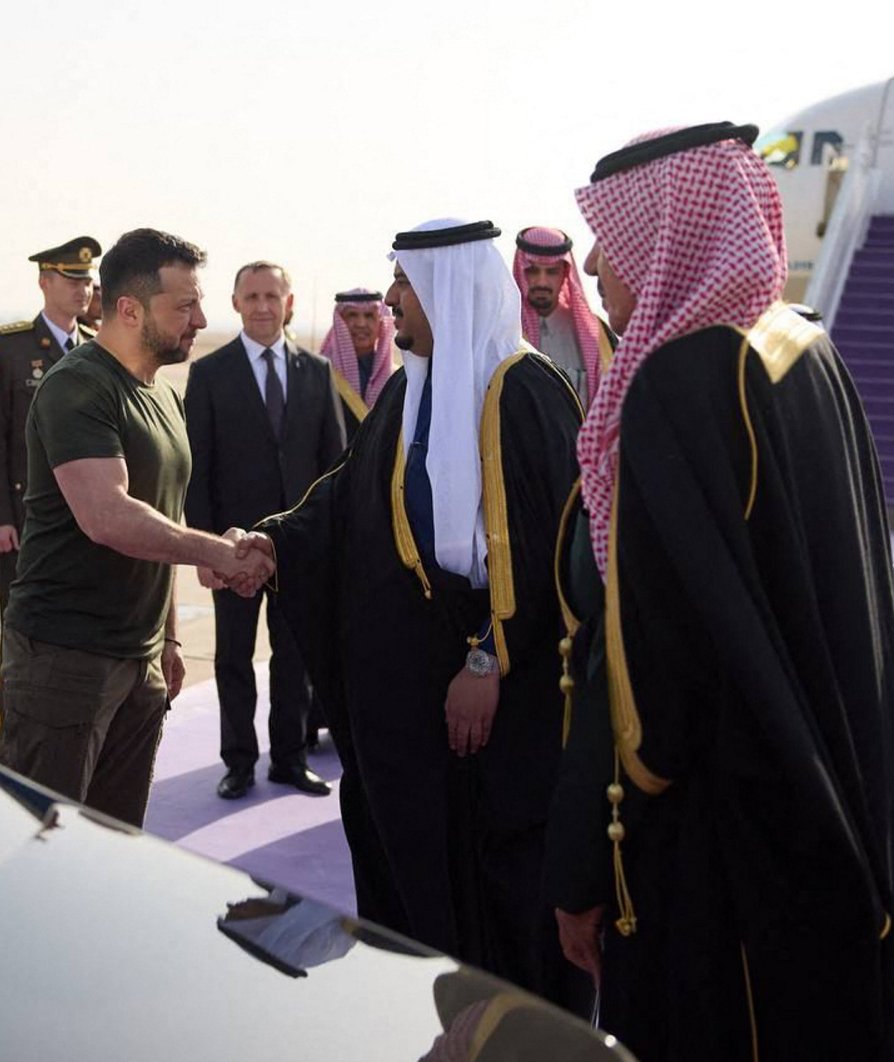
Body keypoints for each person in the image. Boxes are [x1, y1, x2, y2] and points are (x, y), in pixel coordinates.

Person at [543, 123, 894, 1061]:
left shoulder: (684, 383)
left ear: (671, 231)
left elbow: (655, 686)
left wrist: (583, 863)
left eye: (615, 234)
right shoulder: (800, 344)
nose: (599, 265)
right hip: (833, 794)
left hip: (730, 840)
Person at [229, 219, 588, 1006]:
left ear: (447, 292)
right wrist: (274, 544)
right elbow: (353, 495)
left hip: (508, 694)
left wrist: (489, 658)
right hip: (423, 684)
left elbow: (555, 551)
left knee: (506, 885)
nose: (391, 299)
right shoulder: (408, 390)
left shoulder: (524, 391)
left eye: (403, 285)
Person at [0, 228, 269, 829]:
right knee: (39, 847)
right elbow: (109, 515)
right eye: (184, 305)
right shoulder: (77, 385)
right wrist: (217, 552)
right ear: (129, 309)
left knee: (114, 845)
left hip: (138, 661)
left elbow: (160, 517)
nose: (200, 317)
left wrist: (166, 638)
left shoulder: (165, 395)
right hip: (65, 660)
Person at [185, 261, 346, 799]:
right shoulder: (210, 374)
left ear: (288, 302)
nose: (261, 306)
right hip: (231, 550)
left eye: (271, 296)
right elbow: (197, 469)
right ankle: (238, 762)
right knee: (233, 657)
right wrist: (206, 549)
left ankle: (290, 759)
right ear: (235, 303)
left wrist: (324, 543)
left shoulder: (316, 372)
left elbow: (334, 468)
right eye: (250, 296)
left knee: (294, 657)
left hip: (295, 552)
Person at [0, 236, 100, 614]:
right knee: (22, 627)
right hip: (26, 514)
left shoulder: (97, 349)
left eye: (87, 281)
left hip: (87, 515)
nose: (83, 290)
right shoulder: (9, 347)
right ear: (45, 281)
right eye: (72, 280)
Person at [512, 226, 608, 404]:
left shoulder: (596, 335)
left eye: (552, 272)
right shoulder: (505, 332)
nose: (542, 282)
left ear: (564, 273)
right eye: (533, 271)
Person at [319, 287, 397, 439]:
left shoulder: (394, 377)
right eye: (352, 315)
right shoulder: (320, 372)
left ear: (380, 323)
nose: (361, 323)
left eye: (369, 316)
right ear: (340, 320)